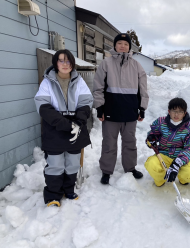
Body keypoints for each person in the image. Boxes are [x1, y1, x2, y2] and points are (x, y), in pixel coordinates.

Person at [34, 49, 93, 207]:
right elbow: (43, 106)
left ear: (72, 63)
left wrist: (79, 121)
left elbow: (86, 101)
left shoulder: (79, 81)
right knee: (55, 163)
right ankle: (53, 195)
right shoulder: (47, 82)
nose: (65, 64)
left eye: (68, 61)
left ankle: (68, 189)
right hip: (55, 128)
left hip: (76, 126)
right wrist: (66, 124)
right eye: (61, 61)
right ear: (55, 63)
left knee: (73, 162)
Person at [93, 33, 149, 184]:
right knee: (109, 143)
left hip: (130, 113)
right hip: (111, 112)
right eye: (120, 43)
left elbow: (143, 88)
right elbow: (98, 87)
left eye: (126, 44)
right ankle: (106, 170)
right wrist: (99, 107)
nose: (123, 46)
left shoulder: (136, 66)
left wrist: (142, 108)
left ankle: (130, 168)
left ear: (129, 47)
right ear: (115, 45)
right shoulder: (106, 63)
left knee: (130, 142)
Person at [144, 98, 190, 186]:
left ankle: (183, 179)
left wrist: (177, 163)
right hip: (162, 155)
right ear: (169, 111)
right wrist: (151, 138)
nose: (176, 114)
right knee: (151, 164)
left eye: (180, 111)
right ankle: (161, 178)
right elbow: (153, 134)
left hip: (181, 157)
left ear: (184, 113)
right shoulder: (161, 122)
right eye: (174, 111)